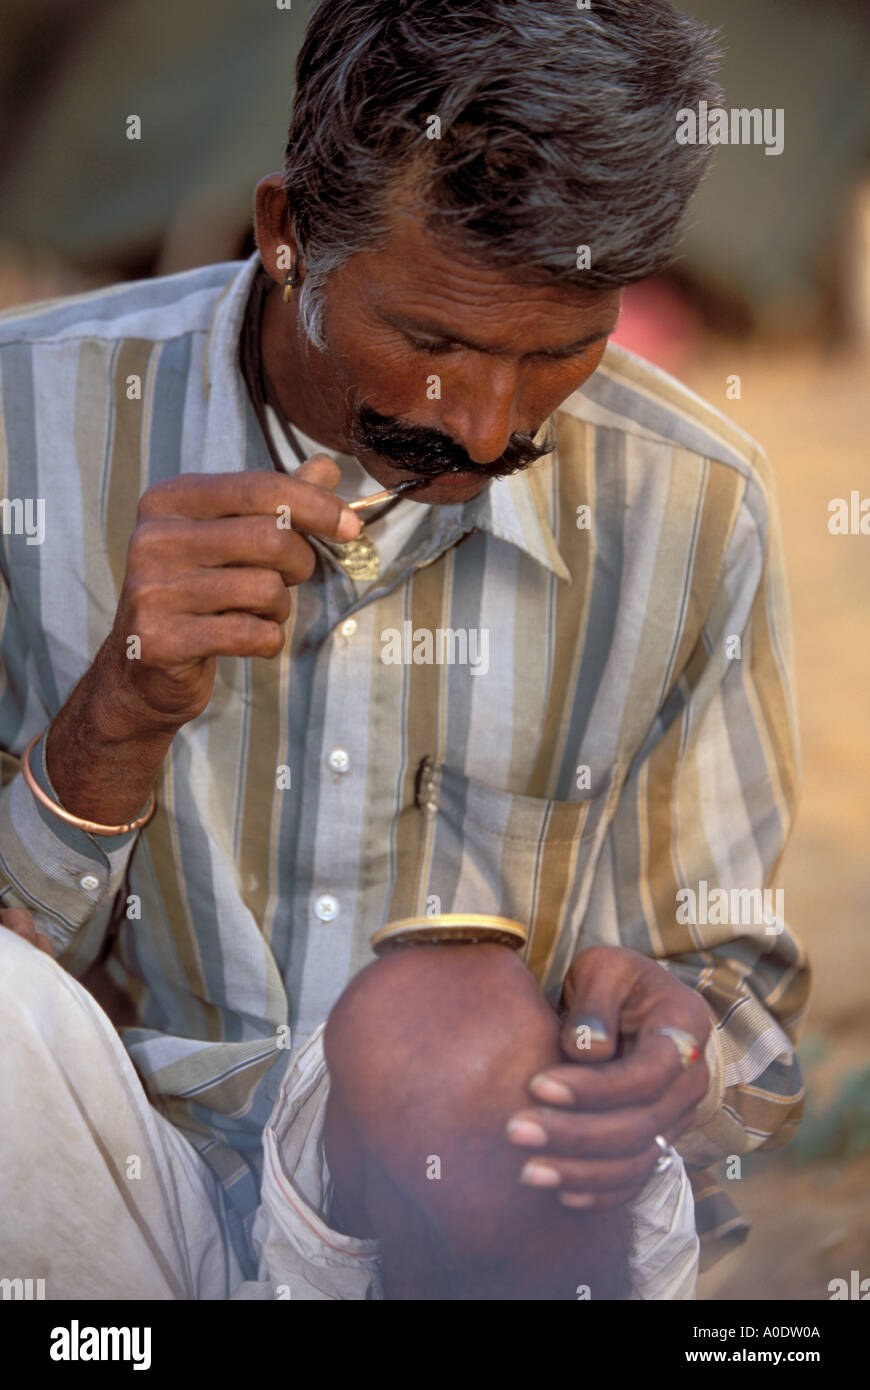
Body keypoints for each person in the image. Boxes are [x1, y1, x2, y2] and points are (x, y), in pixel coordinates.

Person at [0, 0, 808, 1300]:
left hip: (475, 1225)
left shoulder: (688, 503)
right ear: (284, 238)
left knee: (440, 1015)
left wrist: (679, 1051)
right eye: (429, 344)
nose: (486, 430)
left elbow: (735, 995)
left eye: (559, 354)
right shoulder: (20, 427)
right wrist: (117, 716)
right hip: (107, 1213)